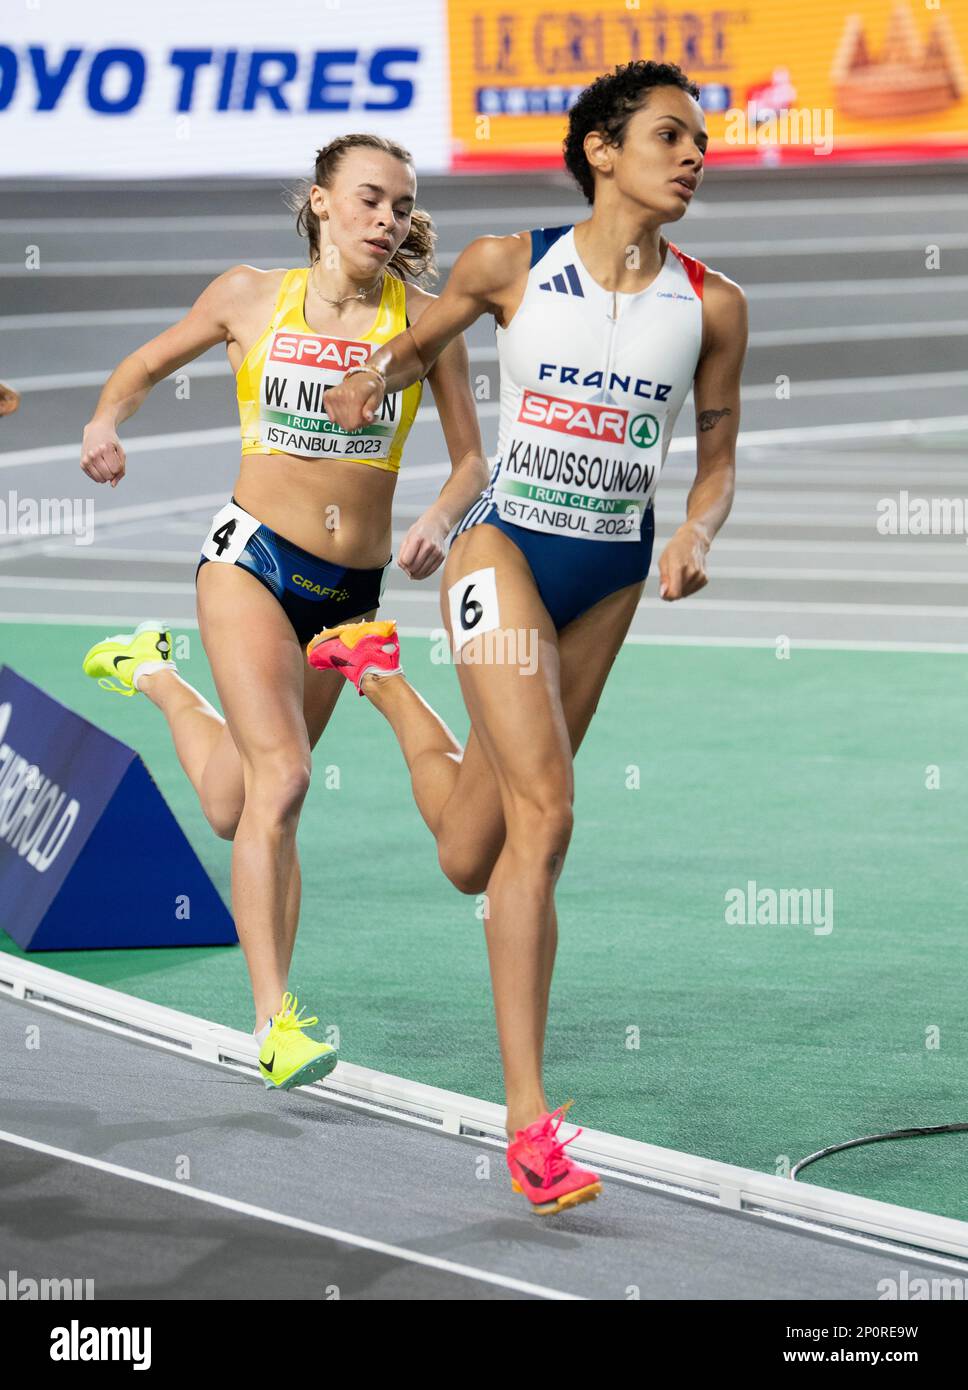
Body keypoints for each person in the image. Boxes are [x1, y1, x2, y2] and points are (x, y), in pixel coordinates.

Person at [310, 61, 748, 1214]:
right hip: (500, 552)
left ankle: (384, 685)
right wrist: (370, 376)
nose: (693, 157)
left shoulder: (710, 305)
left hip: (606, 578)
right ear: (600, 151)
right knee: (546, 815)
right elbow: (422, 342)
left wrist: (695, 533)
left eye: (699, 142)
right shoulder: (511, 262)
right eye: (668, 136)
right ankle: (528, 1123)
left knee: (473, 849)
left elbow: (714, 467)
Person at [78, 134, 488, 1091]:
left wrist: (436, 520)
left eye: (401, 207)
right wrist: (105, 421)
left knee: (233, 801)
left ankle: (150, 671)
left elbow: (471, 460)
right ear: (321, 202)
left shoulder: (425, 327)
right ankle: (276, 1024)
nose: (386, 221)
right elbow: (140, 366)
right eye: (369, 201)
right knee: (287, 779)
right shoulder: (249, 296)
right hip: (251, 562)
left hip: (349, 596)